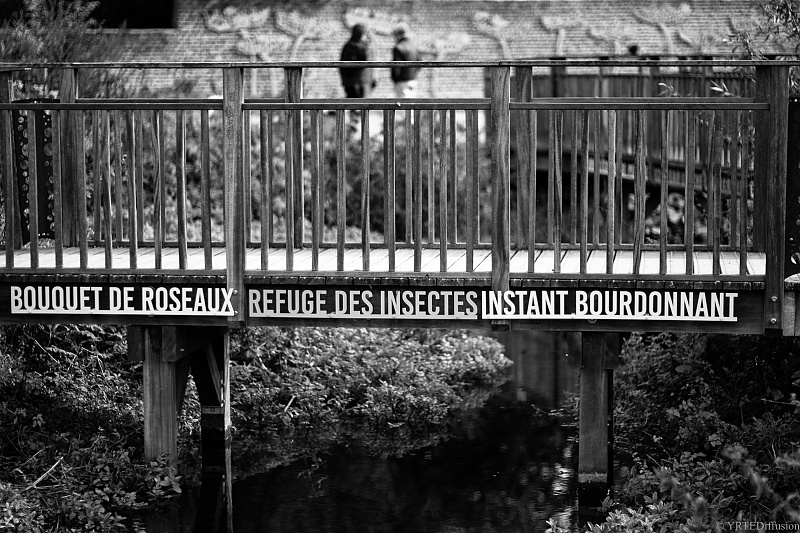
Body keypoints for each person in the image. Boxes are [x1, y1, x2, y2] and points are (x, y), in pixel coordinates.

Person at [339, 24, 375, 98]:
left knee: (352, 101)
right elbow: (365, 64)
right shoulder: (362, 47)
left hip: (349, 81)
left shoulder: (347, 46)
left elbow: (341, 65)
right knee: (360, 102)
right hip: (360, 81)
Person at [391, 24, 420, 98]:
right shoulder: (414, 46)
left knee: (402, 103)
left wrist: (396, 80)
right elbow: (419, 63)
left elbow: (396, 67)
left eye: (395, 35)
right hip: (413, 80)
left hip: (401, 82)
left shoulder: (398, 47)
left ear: (398, 35)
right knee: (411, 103)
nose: (394, 38)